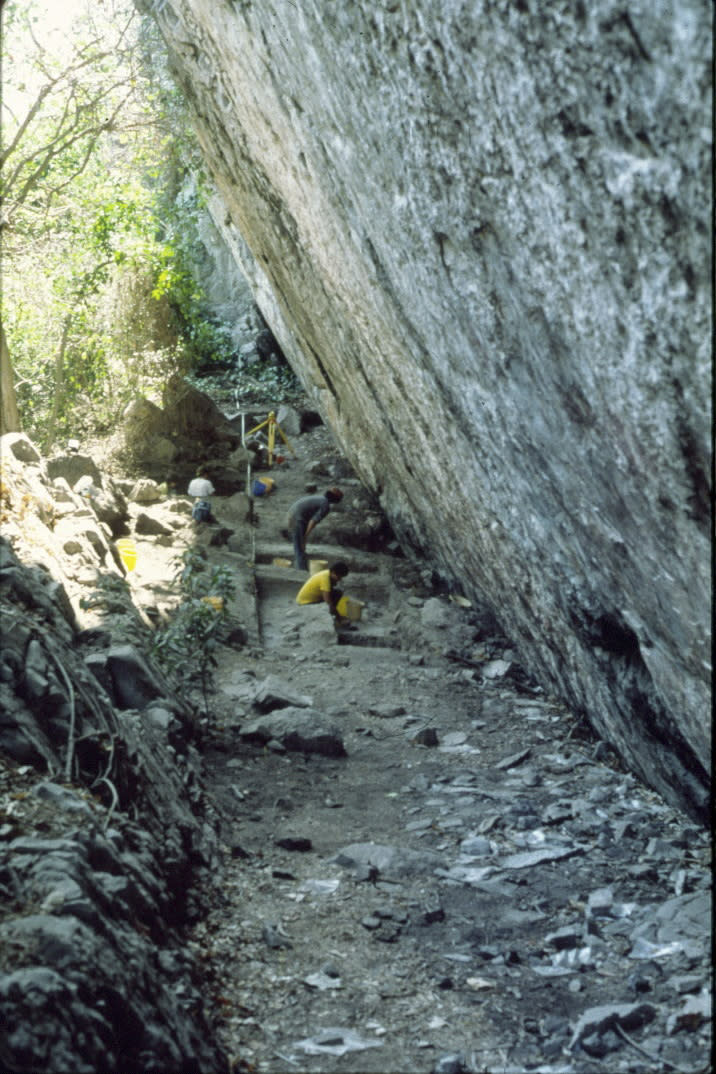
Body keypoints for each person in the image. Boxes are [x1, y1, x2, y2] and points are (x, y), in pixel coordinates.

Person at [287, 487, 343, 570]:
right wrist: (305, 536)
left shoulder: (320, 499)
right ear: (335, 500)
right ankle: (301, 571)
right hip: (297, 518)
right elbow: (313, 521)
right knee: (299, 549)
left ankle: (300, 565)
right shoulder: (325, 505)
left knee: (300, 546)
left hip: (292, 513)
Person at [296, 561, 350, 627]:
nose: (339, 580)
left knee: (337, 593)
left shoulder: (327, 573)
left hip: (310, 600)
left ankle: (332, 615)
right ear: (333, 572)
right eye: (339, 577)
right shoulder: (325, 578)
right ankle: (331, 617)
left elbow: (330, 592)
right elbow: (328, 602)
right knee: (334, 598)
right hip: (305, 603)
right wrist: (339, 618)